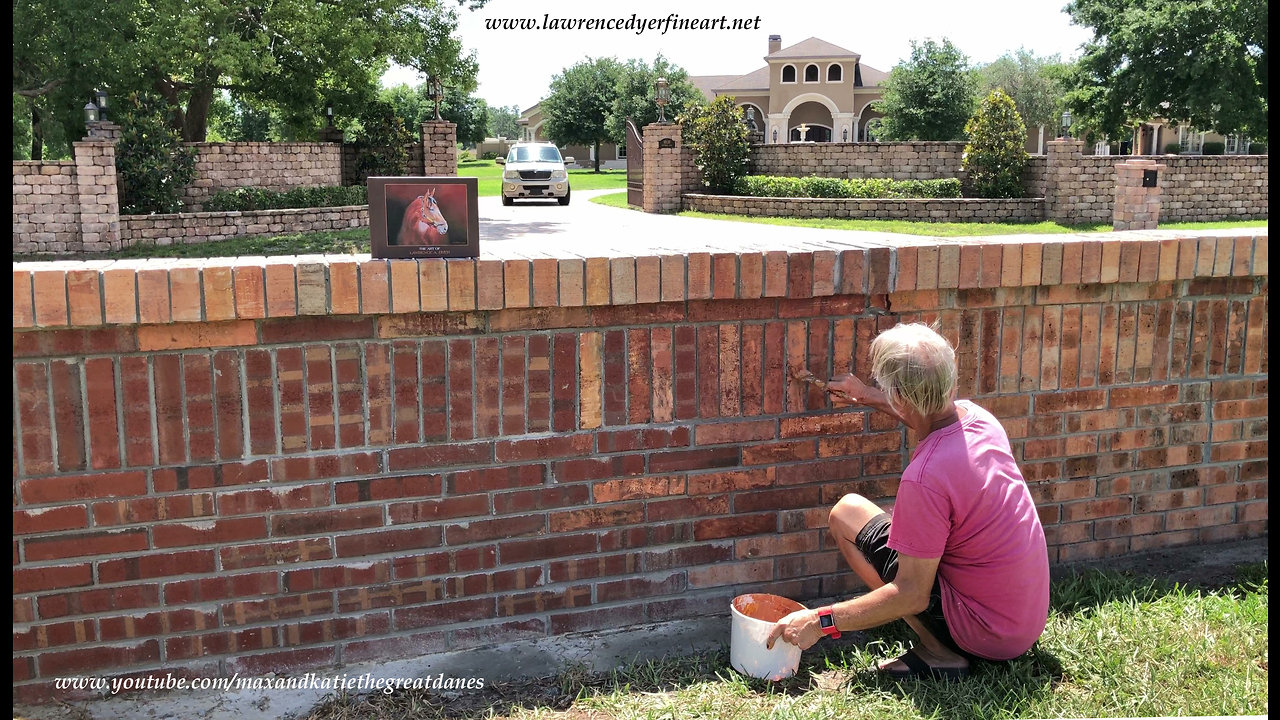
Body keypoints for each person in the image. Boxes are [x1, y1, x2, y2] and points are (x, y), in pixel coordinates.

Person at [765, 323, 1049, 680]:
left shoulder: (925, 477)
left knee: (853, 526)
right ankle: (935, 633)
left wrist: (821, 621)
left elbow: (913, 594)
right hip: (1024, 623)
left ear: (900, 396)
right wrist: (866, 394)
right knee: (850, 512)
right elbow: (925, 408)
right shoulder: (980, 420)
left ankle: (939, 651)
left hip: (987, 637)